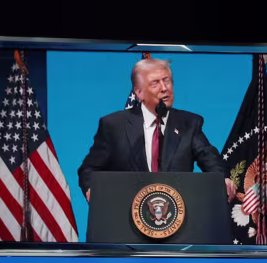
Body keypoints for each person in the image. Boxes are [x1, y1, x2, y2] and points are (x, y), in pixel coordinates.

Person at [76, 57, 237, 203]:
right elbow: (89, 169)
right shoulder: (114, 125)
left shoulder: (188, 124)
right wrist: (92, 189)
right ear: (139, 92)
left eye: (167, 81)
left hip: (178, 218)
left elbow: (210, 159)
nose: (164, 88)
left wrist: (222, 179)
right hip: (126, 219)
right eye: (155, 83)